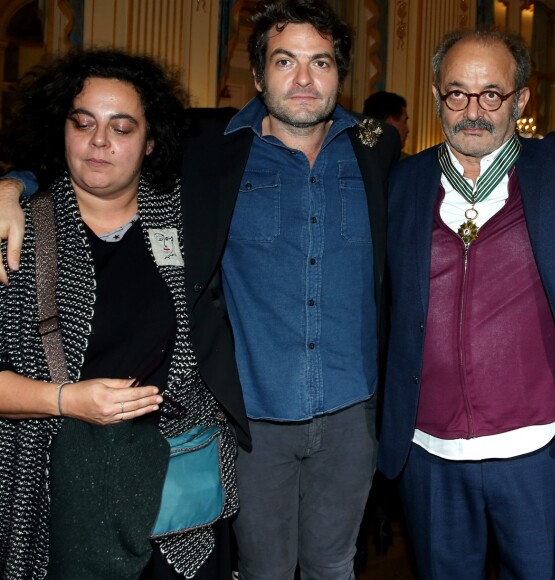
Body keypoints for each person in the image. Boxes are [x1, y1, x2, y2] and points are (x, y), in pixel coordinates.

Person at [0, 1, 400, 577]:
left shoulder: (376, 151)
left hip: (348, 415)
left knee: (334, 566)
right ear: (259, 76)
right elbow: (94, 159)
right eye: (286, 61)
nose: (305, 79)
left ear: (342, 73)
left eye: (322, 62)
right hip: (250, 421)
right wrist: (13, 185)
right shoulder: (211, 150)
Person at [0, 49, 240, 579]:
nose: (99, 142)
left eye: (122, 127)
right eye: (82, 122)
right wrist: (65, 400)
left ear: (152, 141)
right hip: (52, 491)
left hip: (179, 493)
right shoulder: (15, 235)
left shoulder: (189, 218)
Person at [378, 27, 555, 579]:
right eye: (457, 93)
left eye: (492, 93)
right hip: (427, 454)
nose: (474, 110)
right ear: (437, 96)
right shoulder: (400, 184)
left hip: (537, 452)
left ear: (521, 100)